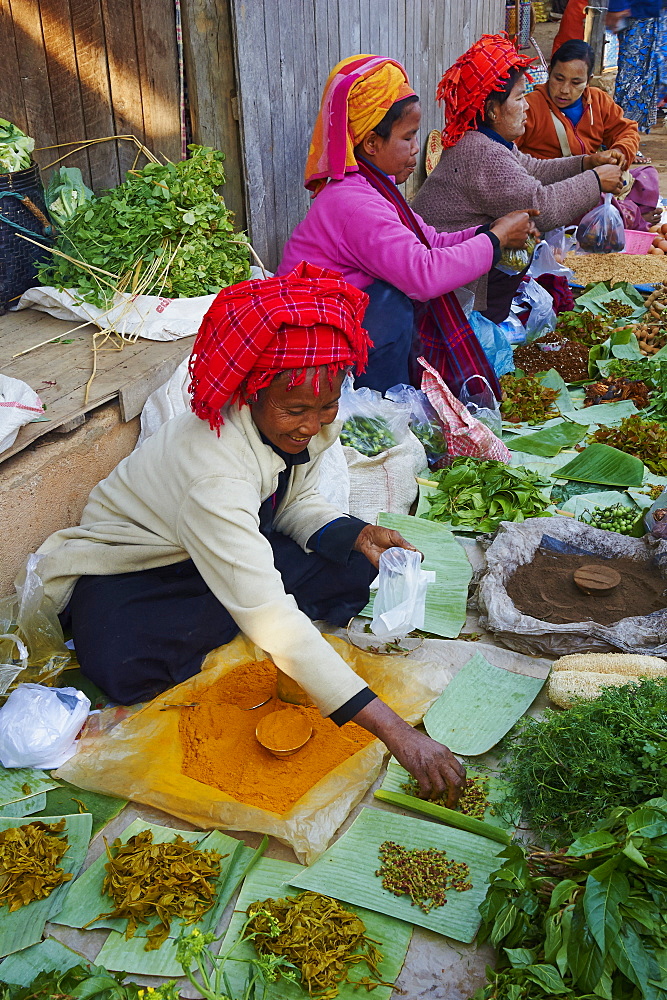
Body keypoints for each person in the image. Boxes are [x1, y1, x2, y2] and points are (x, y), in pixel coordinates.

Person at [28, 262, 465, 804]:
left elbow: (293, 501)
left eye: (327, 405)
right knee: (129, 660)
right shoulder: (214, 470)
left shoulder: (306, 425)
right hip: (133, 570)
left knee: (352, 569)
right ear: (250, 393)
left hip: (223, 542)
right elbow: (269, 612)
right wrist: (394, 731)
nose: (313, 423)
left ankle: (271, 615)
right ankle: (247, 633)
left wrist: (354, 534)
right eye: (295, 409)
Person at [277, 54, 537, 398]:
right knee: (392, 304)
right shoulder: (354, 203)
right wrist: (495, 239)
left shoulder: (374, 188)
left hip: (338, 333)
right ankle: (383, 406)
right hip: (310, 349)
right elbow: (423, 274)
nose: (418, 150)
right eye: (408, 137)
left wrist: (491, 233)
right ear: (371, 143)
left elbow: (430, 241)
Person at [412, 33, 623, 324]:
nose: (526, 107)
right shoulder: (483, 153)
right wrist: (596, 180)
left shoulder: (490, 142)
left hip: (457, 272)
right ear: (492, 110)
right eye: (520, 97)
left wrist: (586, 162)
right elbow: (542, 206)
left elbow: (532, 169)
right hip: (449, 289)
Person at [517, 40, 661, 230]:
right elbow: (507, 155)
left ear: (588, 80)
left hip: (593, 179)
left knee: (647, 176)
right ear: (549, 72)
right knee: (596, 206)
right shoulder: (530, 107)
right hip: (556, 190)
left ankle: (627, 214)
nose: (565, 90)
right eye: (559, 78)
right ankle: (634, 217)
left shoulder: (598, 101)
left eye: (576, 82)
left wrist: (619, 152)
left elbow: (626, 130)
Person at [608, 0, 667, 135]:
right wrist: (617, 6)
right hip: (639, 15)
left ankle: (628, 139)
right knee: (633, 84)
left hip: (657, 11)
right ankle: (621, 139)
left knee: (652, 82)